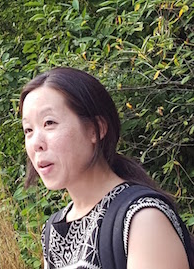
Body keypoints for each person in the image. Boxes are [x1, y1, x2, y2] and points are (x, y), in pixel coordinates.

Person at [19, 67, 192, 269]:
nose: (36, 143)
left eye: (49, 123)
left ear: (96, 129)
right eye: (28, 130)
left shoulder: (141, 218)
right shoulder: (53, 231)